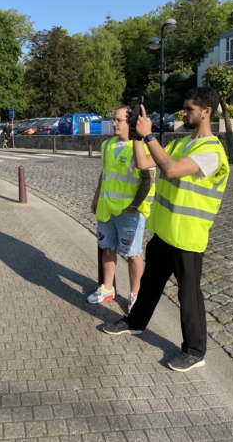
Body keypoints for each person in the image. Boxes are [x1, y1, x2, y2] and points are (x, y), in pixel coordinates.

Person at [103, 87, 230, 373]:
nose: (184, 113)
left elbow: (170, 170)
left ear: (207, 111)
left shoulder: (212, 151)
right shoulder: (180, 143)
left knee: (189, 296)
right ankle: (135, 323)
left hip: (187, 236)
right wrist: (138, 135)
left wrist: (149, 136)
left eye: (189, 109)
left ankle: (195, 351)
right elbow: (144, 162)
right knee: (150, 284)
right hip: (164, 232)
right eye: (184, 108)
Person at [88, 106, 155, 313]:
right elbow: (104, 173)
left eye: (119, 120)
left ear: (131, 123)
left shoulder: (140, 146)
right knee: (108, 248)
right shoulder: (108, 145)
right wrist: (97, 197)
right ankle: (107, 288)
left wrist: (134, 206)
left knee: (133, 254)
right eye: (114, 119)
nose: (114, 123)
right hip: (107, 208)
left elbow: (148, 179)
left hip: (129, 212)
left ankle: (135, 294)